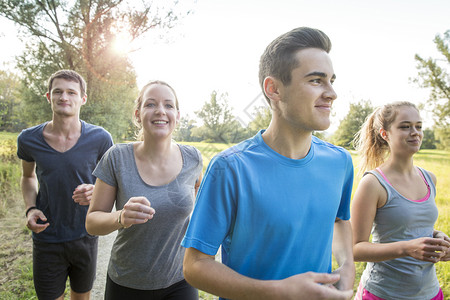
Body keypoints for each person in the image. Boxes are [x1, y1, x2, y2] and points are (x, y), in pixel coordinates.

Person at [182, 27, 355, 300]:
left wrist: (347, 266)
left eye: (331, 80)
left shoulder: (340, 162)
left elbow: (339, 220)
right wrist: (277, 292)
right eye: (316, 81)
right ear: (273, 89)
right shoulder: (230, 168)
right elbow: (195, 266)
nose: (332, 93)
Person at [85, 80, 203, 300]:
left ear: (177, 115)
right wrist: (121, 216)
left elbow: (200, 210)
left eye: (168, 105)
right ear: (138, 114)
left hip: (180, 281)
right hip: (127, 282)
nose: (160, 110)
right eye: (151, 104)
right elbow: (92, 223)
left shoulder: (193, 158)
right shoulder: (117, 157)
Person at [17, 69, 113, 300]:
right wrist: (30, 208)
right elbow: (28, 177)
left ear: (83, 99)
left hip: (86, 234)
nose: (64, 97)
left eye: (71, 92)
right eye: (58, 92)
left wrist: (96, 191)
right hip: (47, 235)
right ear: (49, 97)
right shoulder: (28, 139)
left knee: (81, 296)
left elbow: (112, 182)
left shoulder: (100, 138)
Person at [351, 101, 450, 300]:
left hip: (430, 293)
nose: (415, 132)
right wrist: (407, 248)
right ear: (384, 134)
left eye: (418, 126)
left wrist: (437, 237)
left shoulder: (429, 178)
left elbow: (410, 229)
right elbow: (355, 249)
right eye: (405, 126)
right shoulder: (373, 183)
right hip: (383, 293)